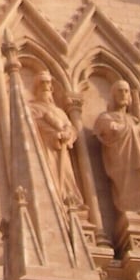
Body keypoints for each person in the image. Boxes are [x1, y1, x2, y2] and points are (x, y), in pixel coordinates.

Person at [94, 80, 140, 215]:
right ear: (113, 95)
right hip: (123, 162)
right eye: (120, 91)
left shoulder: (133, 119)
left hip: (139, 161)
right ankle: (131, 209)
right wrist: (135, 129)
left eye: (126, 91)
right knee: (127, 185)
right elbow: (111, 131)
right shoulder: (106, 117)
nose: (123, 94)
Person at [28, 71, 84, 210]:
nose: (46, 86)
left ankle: (68, 199)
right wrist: (54, 134)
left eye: (48, 83)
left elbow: (72, 129)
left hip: (62, 150)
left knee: (66, 175)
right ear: (36, 88)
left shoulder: (60, 112)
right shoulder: (32, 108)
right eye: (42, 83)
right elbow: (33, 125)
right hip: (46, 148)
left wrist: (68, 134)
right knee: (49, 172)